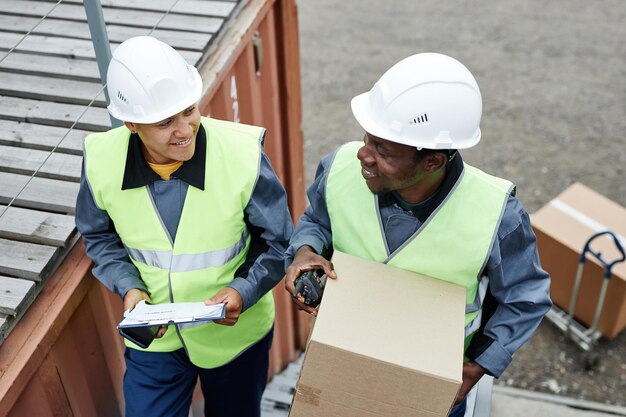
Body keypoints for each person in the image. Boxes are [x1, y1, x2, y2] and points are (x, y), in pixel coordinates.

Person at [284, 53, 551, 417]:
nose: (363, 154)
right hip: (339, 363)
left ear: (432, 161)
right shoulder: (339, 168)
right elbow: (317, 220)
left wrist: (477, 366)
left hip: (428, 388)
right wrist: (304, 251)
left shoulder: (497, 214)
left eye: (384, 150)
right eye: (367, 139)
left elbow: (526, 296)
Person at [75, 36, 293, 417]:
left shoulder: (242, 155)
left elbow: (278, 242)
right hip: (155, 342)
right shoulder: (100, 160)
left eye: (189, 111)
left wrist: (242, 290)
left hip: (235, 338)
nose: (184, 129)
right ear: (131, 123)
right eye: (165, 122)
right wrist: (129, 289)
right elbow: (98, 235)